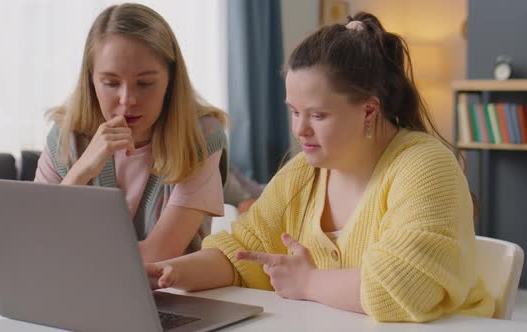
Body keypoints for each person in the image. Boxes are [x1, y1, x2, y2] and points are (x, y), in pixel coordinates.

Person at [146, 12, 495, 322]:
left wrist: (309, 281)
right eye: (295, 112)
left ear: (369, 111)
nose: (300, 129)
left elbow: (404, 285)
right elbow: (243, 251)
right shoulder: (303, 173)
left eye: (318, 115)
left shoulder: (425, 165)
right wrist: (168, 272)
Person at [34, 3, 228, 263]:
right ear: (90, 80)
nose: (128, 100)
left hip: (171, 299)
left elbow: (159, 255)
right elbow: (35, 243)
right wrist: (80, 172)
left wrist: (69, 257)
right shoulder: (64, 136)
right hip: (75, 295)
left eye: (145, 83)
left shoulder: (201, 136)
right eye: (111, 83)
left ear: (170, 80)